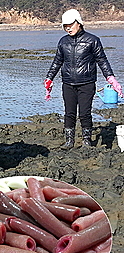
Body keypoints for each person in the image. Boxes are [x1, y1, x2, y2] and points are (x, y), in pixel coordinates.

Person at [45, 9, 123, 149]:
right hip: (68, 83)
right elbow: (57, 61)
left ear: (78, 22)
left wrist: (111, 78)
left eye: (70, 24)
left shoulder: (92, 40)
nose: (68, 28)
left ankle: (87, 141)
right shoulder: (63, 42)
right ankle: (69, 141)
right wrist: (49, 78)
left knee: (85, 113)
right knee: (69, 113)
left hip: (86, 83)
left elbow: (102, 61)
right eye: (65, 25)